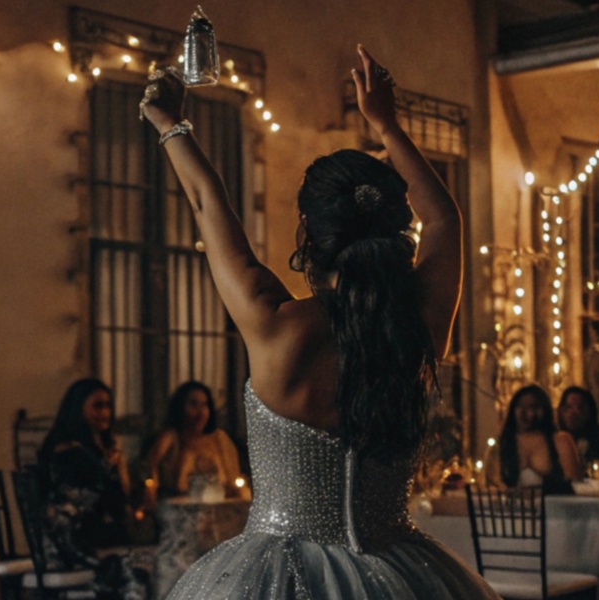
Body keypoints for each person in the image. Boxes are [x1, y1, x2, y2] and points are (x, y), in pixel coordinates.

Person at [141, 46, 498, 598]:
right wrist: (386, 123)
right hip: (403, 570)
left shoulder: (272, 321)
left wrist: (172, 124)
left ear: (306, 233)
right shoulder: (418, 326)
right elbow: (444, 218)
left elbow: (205, 203)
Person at [35, 378, 147, 599]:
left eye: (107, 405)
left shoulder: (98, 447)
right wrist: (110, 467)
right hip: (73, 544)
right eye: (97, 406)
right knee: (145, 563)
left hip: (88, 534)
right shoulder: (70, 451)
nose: (105, 412)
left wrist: (117, 464)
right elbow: (111, 502)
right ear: (78, 408)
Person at [143, 381, 243, 501]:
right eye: (193, 404)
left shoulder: (220, 438)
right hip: (180, 509)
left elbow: (233, 480)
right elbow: (150, 468)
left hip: (219, 506)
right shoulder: (172, 437)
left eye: (204, 405)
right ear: (180, 408)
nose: (201, 413)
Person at [496, 385, 582, 495]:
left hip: (553, 508)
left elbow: (575, 485)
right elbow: (492, 484)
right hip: (515, 509)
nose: (525, 413)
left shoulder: (560, 440)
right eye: (519, 406)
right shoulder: (505, 442)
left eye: (532, 407)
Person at [557, 386, 599, 466]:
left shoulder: (597, 445)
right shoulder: (553, 441)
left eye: (579, 408)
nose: (574, 413)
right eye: (569, 407)